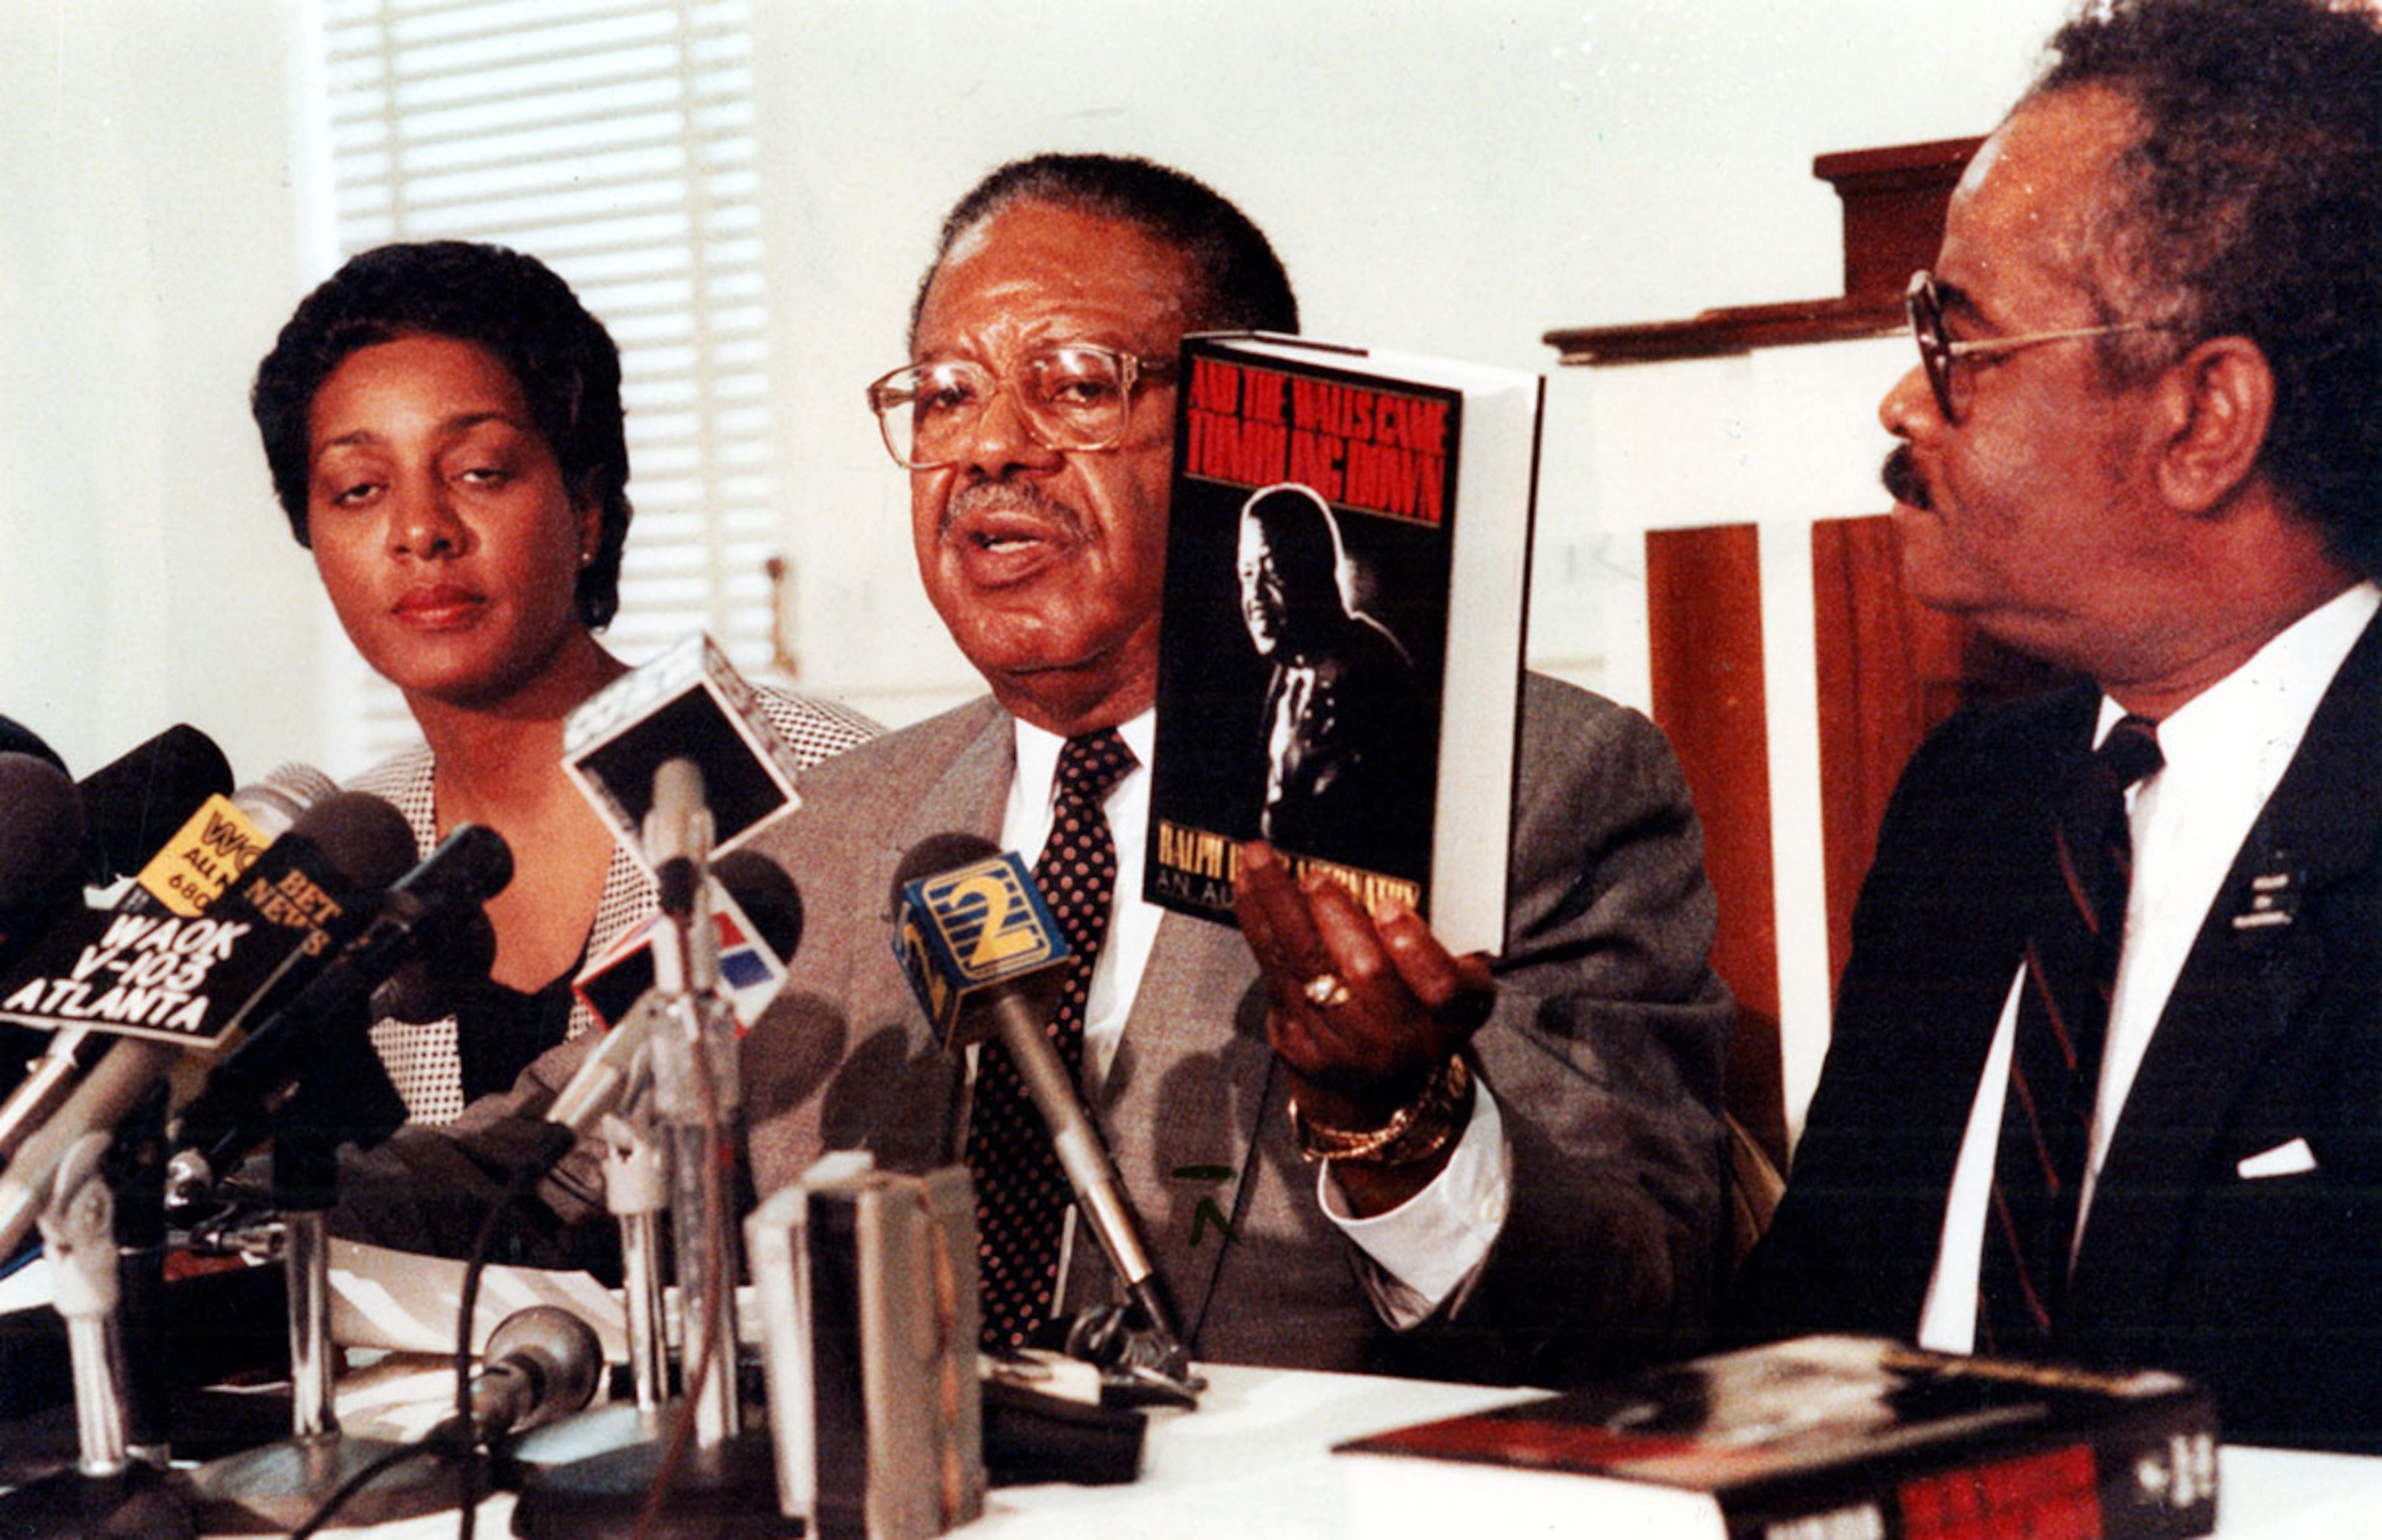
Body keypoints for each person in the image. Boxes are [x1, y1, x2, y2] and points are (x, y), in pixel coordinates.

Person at [734, 152, 1731, 1381]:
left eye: (1078, 385)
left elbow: (1643, 1308)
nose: (991, 446)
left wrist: (1402, 1122)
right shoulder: (816, 835)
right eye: (945, 395)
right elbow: (562, 1177)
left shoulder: (1536, 786)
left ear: (1242, 433)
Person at [1726, 0, 2382, 1451]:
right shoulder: (1977, 803)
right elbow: (1794, 1351)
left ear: (2203, 418)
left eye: (1958, 340)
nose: (1904, 396)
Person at [250, 241, 877, 1126]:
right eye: (359, 488)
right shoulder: (353, 851)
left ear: (586, 508)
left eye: (478, 472)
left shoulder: (807, 771)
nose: (420, 530)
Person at [1236, 483, 1434, 877]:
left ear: (1314, 569)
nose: (1254, 594)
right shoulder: (1287, 676)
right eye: (1246, 574)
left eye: (1272, 571)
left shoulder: (1372, 671)